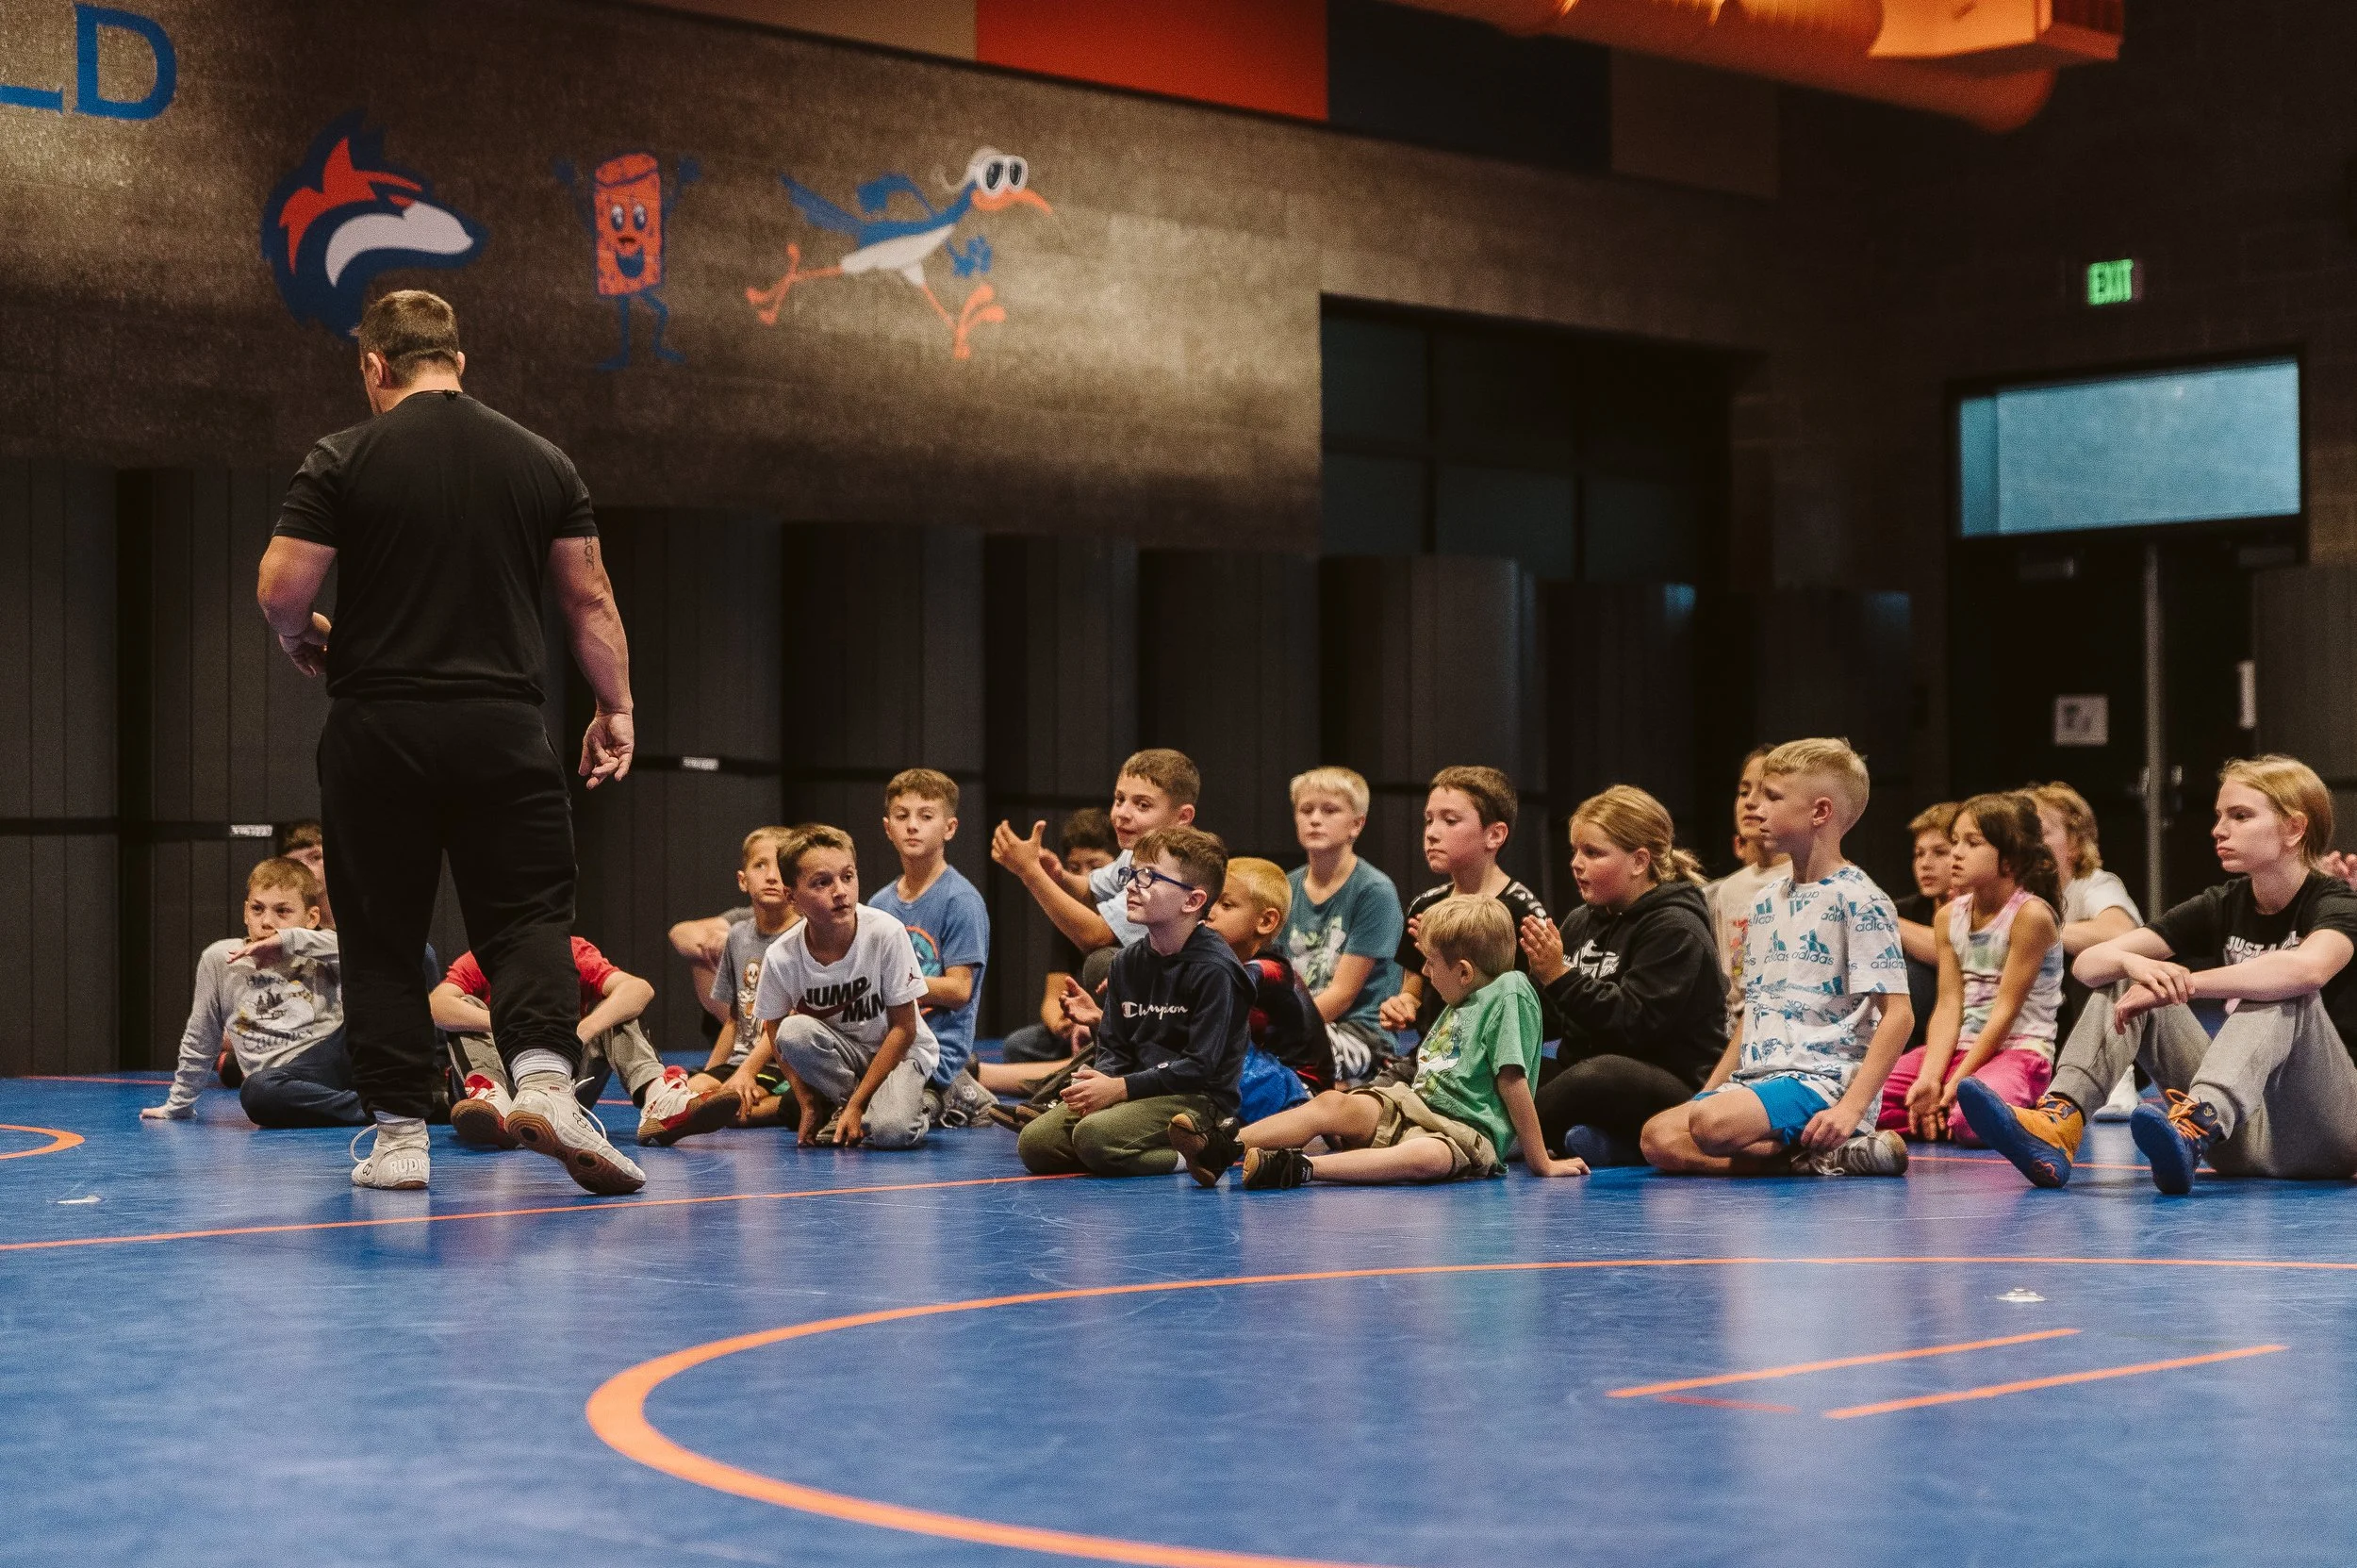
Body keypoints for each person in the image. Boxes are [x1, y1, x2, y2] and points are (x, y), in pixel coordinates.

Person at [255, 289, 640, 1194]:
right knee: (527, 917)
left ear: (374, 367)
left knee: (383, 933)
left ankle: (398, 1140)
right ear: (459, 363)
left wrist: (299, 632)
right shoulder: (541, 459)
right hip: (501, 725)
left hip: (378, 728)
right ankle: (545, 1081)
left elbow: (281, 587)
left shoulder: (343, 454)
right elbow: (590, 600)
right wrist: (614, 705)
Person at [1961, 755, 2357, 1195]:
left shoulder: (2335, 901)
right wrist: (2132, 964)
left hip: (2328, 1134)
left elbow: (2309, 968)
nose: (2219, 830)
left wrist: (2184, 984)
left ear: (2294, 828)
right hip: (2236, 1135)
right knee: (2132, 979)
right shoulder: (2221, 901)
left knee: (2279, 984)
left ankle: (2198, 1117)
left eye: (2240, 816)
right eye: (2219, 816)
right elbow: (2087, 966)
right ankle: (2060, 1121)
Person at [1173, 897, 1587, 1189]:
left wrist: (1541, 1162)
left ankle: (1299, 1168)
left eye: (1429, 963)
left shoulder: (1509, 993)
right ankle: (1221, 1146)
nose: (1423, 971)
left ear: (1463, 971)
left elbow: (1512, 1081)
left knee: (1427, 1159)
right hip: (1413, 1104)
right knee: (1332, 1103)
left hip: (1464, 1131)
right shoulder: (1465, 996)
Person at [1639, 737, 1914, 1178]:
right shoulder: (1766, 901)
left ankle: (1835, 1140)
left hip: (1823, 1083)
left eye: (1772, 796)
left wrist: (1850, 1109)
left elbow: (1898, 1015)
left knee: (1710, 1127)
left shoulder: (1860, 899)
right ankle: (1810, 1160)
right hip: (1760, 1079)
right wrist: (1707, 1092)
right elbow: (1754, 1011)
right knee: (1658, 1136)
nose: (1755, 807)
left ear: (1819, 812)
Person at [1016, 826, 1249, 1178]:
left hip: (1198, 1100)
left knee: (1094, 1137)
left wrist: (1120, 1088)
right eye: (1132, 874)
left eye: (1149, 878)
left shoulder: (1216, 970)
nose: (1131, 886)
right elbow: (1115, 1048)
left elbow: (1200, 1066)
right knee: (1035, 1145)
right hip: (1136, 1090)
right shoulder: (1127, 962)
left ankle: (1201, 1152)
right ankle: (1123, 1148)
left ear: (1192, 901)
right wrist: (1099, 1082)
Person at [1517, 786, 1725, 1167]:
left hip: (1671, 1081)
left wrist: (1559, 976)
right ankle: (1608, 1145)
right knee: (1511, 1070)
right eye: (1575, 851)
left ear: (1638, 861)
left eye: (1593, 853)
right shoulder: (1583, 919)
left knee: (1600, 1076)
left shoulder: (1676, 927)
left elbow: (1633, 1023)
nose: (1576, 863)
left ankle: (1508, 1137)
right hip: (1586, 1069)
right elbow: (1552, 1018)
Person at [732, 824, 936, 1149]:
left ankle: (934, 1100)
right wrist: (807, 1103)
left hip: (899, 1053)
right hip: (846, 1057)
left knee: (891, 1132)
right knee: (792, 1031)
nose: (840, 891)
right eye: (822, 883)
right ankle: (854, 1103)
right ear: (792, 897)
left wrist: (856, 1106)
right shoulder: (782, 955)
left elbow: (904, 1029)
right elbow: (774, 1031)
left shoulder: (886, 934)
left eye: (847, 877)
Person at [436, 934, 728, 1160]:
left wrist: (580, 1031)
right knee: (464, 1008)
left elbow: (639, 989)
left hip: (562, 1081)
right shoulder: (488, 954)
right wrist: (507, 1027)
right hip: (499, 1075)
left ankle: (658, 1099)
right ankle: (495, 1104)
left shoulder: (573, 951)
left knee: (615, 1007)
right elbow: (437, 1004)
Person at [1877, 793, 2063, 1145]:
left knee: (1969, 1121)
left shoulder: (2031, 917)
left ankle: (1998, 1108)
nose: (1957, 853)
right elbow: (1948, 1005)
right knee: (1868, 1102)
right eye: (1956, 841)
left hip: (2018, 1050)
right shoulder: (1949, 916)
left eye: (1972, 843)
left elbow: (2005, 1011)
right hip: (1959, 1049)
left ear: (2009, 859)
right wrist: (1931, 1079)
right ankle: (1940, 1112)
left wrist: (1954, 1084)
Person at [142, 858, 359, 1128]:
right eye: (257, 909)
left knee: (421, 956)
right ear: (245, 912)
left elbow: (364, 950)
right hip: (281, 1079)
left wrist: (290, 940)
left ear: (311, 917)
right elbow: (201, 1036)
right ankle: (378, 1108)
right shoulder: (220, 958)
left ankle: (416, 1079)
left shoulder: (318, 950)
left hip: (336, 1056)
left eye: (283, 912)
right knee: (257, 1093)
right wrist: (179, 1104)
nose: (267, 922)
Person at [1376, 766, 1558, 1048]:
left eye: (1450, 821)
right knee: (1336, 1096)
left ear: (1495, 835)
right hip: (1430, 1059)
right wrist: (1402, 1007)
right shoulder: (1426, 906)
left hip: (1492, 1067)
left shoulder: (1523, 915)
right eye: (1428, 820)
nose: (1432, 834)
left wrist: (1448, 953)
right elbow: (1411, 993)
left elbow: (1537, 1015)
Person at [866, 768, 997, 1128]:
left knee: (888, 1127)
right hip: (885, 1043)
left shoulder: (961, 901)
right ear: (887, 827)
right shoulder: (878, 905)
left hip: (935, 1047)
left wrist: (893, 983)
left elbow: (958, 990)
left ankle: (948, 1091)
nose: (912, 826)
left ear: (949, 828)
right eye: (902, 816)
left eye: (926, 816)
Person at [992, 748, 1199, 959]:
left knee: (1102, 960)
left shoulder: (1176, 869)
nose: (1122, 813)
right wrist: (1058, 876)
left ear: (1183, 817)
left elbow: (1095, 936)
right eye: (1119, 799)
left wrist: (1029, 872)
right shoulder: (1137, 852)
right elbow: (1093, 890)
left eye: (1142, 805)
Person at [1278, 766, 1403, 1086]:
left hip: (1360, 1035)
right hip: (1301, 1024)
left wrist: (1279, 1030)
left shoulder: (1374, 891)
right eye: (1306, 810)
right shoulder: (1285, 887)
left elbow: (1343, 994)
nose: (1315, 819)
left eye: (1330, 810)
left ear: (1357, 824)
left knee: (1272, 1064)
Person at [2030, 781, 2144, 1119]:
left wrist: (2036, 933)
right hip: (2038, 1030)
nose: (2031, 843)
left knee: (2090, 959)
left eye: (2041, 832)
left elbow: (2120, 930)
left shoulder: (2093, 883)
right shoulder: (2010, 892)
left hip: (2100, 1027)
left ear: (2075, 844)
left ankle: (2115, 1076)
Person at [679, 826, 799, 1133]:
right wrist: (711, 1074)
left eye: (781, 867)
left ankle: (799, 1101)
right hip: (741, 1059)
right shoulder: (738, 936)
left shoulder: (802, 937)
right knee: (687, 1097)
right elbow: (734, 1020)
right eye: (761, 865)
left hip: (782, 1063)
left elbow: (785, 1023)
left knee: (734, 1111)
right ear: (743, 880)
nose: (772, 876)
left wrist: (746, 1072)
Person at [1202, 855, 1330, 1112]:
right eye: (1209, 901)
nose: (1210, 913)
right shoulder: (1221, 965)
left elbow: (1225, 986)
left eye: (1225, 905)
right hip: (1264, 1074)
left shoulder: (1272, 970)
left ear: (1265, 922)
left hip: (1299, 1090)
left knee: (1222, 1051)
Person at [997, 808, 1119, 1068]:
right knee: (1019, 1045)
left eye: (1096, 867)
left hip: (1118, 1026)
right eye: (1075, 867)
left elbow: (1096, 935)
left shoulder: (1128, 907)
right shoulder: (1068, 914)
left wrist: (1030, 872)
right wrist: (1062, 1023)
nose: (1085, 876)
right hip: (1081, 1027)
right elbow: (1052, 997)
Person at [1704, 747, 1791, 1027]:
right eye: (1744, 792)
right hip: (1737, 1033)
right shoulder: (1729, 891)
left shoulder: (1811, 879)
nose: (1750, 802)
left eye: (1767, 793)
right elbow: (1730, 988)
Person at [1893, 801, 1958, 1048]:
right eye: (1919, 853)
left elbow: (1951, 951)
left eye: (1939, 852)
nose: (1925, 863)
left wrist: (1884, 918)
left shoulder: (1986, 910)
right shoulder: (1907, 909)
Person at [279, 819, 334, 930]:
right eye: (294, 863)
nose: (305, 869)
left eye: (315, 857)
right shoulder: (283, 925)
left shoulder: (365, 912)